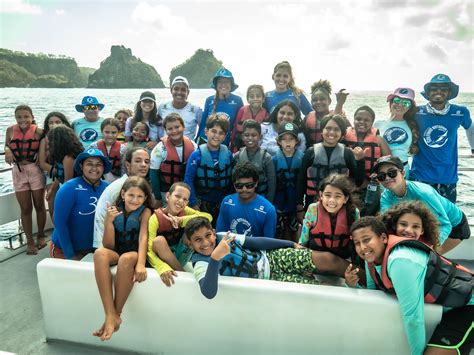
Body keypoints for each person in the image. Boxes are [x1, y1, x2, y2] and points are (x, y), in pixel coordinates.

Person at [347, 216, 473, 355]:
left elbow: (413, 319)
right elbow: (375, 295)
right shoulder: (370, 258)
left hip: (467, 307)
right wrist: (354, 287)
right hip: (450, 308)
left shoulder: (400, 261)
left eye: (366, 240)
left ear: (383, 238)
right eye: (357, 243)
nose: (362, 247)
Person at [187, 217, 349, 299]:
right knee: (323, 289)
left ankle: (368, 281)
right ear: (190, 244)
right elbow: (208, 292)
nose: (206, 243)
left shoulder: (224, 236)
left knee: (328, 259)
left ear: (214, 233)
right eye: (198, 240)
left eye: (208, 235)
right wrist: (215, 258)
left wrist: (290, 244)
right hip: (270, 279)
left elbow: (255, 242)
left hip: (273, 258)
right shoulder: (200, 262)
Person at [92, 176, 153, 341]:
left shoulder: (145, 212)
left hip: (135, 255)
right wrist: (109, 222)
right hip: (117, 252)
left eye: (140, 196)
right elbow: (108, 246)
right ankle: (109, 314)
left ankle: (116, 313)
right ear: (123, 193)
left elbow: (143, 238)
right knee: (99, 253)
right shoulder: (113, 209)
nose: (135, 200)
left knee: (126, 258)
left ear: (146, 198)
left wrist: (140, 264)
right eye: (131, 195)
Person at [374, 155, 470, 254]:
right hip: (422, 226)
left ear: (403, 173)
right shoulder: (385, 197)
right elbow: (387, 224)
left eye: (392, 173)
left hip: (455, 227)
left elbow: (445, 224)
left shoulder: (424, 193)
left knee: (428, 258)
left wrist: (428, 249)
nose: (387, 178)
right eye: (381, 176)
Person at [410, 74, 472, 203]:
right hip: (420, 176)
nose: (438, 92)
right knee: (420, 217)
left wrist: (473, 148)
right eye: (434, 89)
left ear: (449, 92)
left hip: (448, 177)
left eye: (443, 89)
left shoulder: (460, 112)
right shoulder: (416, 112)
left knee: (446, 218)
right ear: (428, 92)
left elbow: (470, 128)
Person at [296, 114, 365, 218]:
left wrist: (360, 161)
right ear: (322, 131)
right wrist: (300, 208)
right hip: (314, 204)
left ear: (342, 133)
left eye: (336, 129)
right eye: (328, 128)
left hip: (339, 205)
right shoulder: (310, 153)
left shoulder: (347, 154)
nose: (332, 132)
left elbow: (358, 182)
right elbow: (301, 181)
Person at [147, 182, 212, 287]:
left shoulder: (185, 211)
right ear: (168, 196)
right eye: (177, 196)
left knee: (196, 228)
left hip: (181, 254)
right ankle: (182, 273)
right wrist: (161, 267)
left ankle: (207, 261)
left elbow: (208, 217)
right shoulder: (154, 219)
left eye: (185, 199)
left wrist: (182, 220)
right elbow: (149, 250)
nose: (181, 201)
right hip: (165, 259)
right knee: (158, 241)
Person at [299, 174, 363, 278]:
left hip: (342, 262)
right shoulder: (313, 210)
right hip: (316, 260)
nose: (332, 200)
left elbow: (357, 243)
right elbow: (303, 240)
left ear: (345, 199)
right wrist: (302, 266)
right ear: (321, 195)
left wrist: (357, 267)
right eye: (327, 195)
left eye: (337, 196)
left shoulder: (353, 212)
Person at [50, 149, 110, 259]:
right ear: (81, 167)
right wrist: (70, 255)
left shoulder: (109, 188)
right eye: (89, 164)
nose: (94, 168)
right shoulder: (68, 188)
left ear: (104, 167)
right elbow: (59, 223)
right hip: (65, 249)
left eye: (99, 164)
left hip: (96, 250)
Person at [4, 105, 47, 255]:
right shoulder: (10, 130)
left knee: (40, 205)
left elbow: (46, 148)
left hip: (35, 170)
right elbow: (6, 145)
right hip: (18, 171)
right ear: (16, 118)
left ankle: (41, 235)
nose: (23, 120)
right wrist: (8, 150)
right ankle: (30, 241)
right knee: (25, 209)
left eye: (26, 116)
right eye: (19, 117)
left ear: (32, 117)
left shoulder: (39, 131)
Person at [93, 147, 150, 248]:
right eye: (138, 161)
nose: (143, 165)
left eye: (147, 161)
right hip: (106, 243)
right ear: (128, 165)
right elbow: (102, 220)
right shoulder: (119, 187)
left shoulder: (140, 186)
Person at [184, 114, 233, 224]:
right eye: (214, 131)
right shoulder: (196, 155)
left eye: (221, 133)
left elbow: (232, 180)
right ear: (206, 131)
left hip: (222, 202)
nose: (217, 135)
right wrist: (193, 203)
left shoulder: (228, 154)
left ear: (225, 136)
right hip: (202, 203)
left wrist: (229, 201)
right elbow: (188, 180)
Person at [216, 161, 277, 238]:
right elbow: (220, 234)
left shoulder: (268, 210)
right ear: (234, 185)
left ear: (256, 183)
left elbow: (269, 242)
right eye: (239, 185)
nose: (244, 189)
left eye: (249, 185)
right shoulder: (226, 202)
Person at [149, 113, 197, 203]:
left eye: (177, 127)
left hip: (186, 193)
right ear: (166, 131)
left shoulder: (194, 146)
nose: (174, 131)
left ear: (184, 127)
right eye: (170, 129)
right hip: (165, 192)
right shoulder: (160, 149)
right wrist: (157, 197)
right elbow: (153, 175)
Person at [374, 88, 419, 176]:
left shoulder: (413, 125)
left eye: (406, 103)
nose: (400, 105)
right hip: (382, 170)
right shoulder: (378, 124)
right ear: (391, 102)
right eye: (397, 100)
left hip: (403, 170)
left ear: (410, 107)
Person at [195, 68, 243, 146]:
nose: (223, 85)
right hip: (205, 141)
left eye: (226, 82)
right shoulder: (209, 100)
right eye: (220, 82)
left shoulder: (237, 101)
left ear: (231, 84)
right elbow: (203, 123)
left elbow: (239, 124)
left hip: (224, 142)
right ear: (216, 85)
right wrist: (197, 139)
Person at [273, 122, 303, 241]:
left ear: (296, 141)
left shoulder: (302, 158)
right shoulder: (274, 160)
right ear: (279, 142)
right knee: (279, 230)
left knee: (293, 230)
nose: (288, 142)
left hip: (294, 202)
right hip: (278, 203)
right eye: (284, 139)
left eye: (291, 139)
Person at [45, 125, 84, 220]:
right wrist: (52, 189)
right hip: (65, 188)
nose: (48, 145)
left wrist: (60, 197)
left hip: (72, 192)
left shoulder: (68, 158)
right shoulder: (62, 156)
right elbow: (60, 176)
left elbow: (68, 181)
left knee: (59, 217)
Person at [343, 105, 391, 182]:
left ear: (372, 123)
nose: (362, 122)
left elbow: (389, 162)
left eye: (366, 120)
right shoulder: (344, 136)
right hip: (349, 181)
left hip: (372, 182)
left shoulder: (379, 140)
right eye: (358, 119)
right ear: (353, 120)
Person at [38, 112, 71, 221]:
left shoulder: (68, 138)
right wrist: (56, 171)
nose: (54, 124)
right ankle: (56, 229)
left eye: (57, 122)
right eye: (50, 122)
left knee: (66, 202)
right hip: (52, 173)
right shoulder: (44, 140)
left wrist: (64, 170)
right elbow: (42, 163)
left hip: (68, 172)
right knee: (52, 201)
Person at [233, 120, 276, 202]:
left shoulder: (266, 158)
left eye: (254, 135)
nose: (250, 138)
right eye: (246, 135)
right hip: (242, 198)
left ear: (260, 137)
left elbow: (272, 183)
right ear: (242, 137)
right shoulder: (237, 156)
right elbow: (234, 180)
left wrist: (269, 202)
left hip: (261, 198)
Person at [304, 79, 350, 146]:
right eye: (315, 100)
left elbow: (351, 133)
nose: (318, 102)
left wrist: (340, 103)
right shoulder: (307, 118)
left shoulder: (340, 116)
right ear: (311, 103)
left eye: (322, 99)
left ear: (329, 101)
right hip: (313, 154)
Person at [158, 76, 202, 140]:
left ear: (188, 92)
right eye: (176, 89)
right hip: (167, 147)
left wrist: (196, 143)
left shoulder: (196, 110)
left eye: (183, 90)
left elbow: (203, 129)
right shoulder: (162, 107)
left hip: (189, 148)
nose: (179, 92)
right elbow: (157, 128)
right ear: (171, 90)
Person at [230, 84, 269, 153]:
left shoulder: (266, 114)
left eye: (258, 96)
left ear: (263, 99)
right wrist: (233, 148)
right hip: (241, 146)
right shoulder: (242, 110)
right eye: (252, 96)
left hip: (257, 148)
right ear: (247, 99)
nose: (255, 99)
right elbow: (235, 129)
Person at [88, 118, 124, 183]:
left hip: (116, 181)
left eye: (113, 132)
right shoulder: (93, 146)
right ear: (102, 131)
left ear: (118, 133)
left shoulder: (123, 149)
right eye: (107, 132)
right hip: (97, 179)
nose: (110, 135)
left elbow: (124, 169)